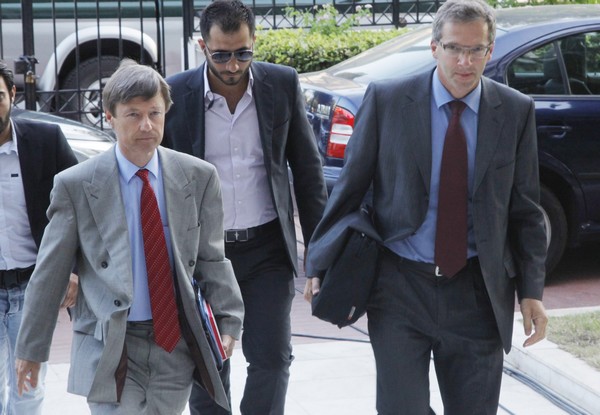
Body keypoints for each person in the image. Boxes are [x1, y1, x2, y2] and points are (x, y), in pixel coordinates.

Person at [304, 0, 549, 413]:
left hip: (477, 293)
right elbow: (349, 189)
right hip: (399, 287)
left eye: (476, 50)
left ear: (489, 51)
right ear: (435, 48)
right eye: (454, 48)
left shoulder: (514, 111)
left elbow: (525, 210)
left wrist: (531, 292)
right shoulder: (387, 100)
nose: (465, 62)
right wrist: (319, 260)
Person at [15, 59, 244, 415]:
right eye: (133, 115)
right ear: (110, 117)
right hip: (110, 343)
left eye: (154, 113)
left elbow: (211, 258)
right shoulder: (77, 185)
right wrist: (31, 350)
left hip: (174, 343)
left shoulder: (198, 178)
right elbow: (50, 273)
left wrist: (228, 320)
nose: (146, 125)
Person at [163, 1, 328, 413]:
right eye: (221, 55)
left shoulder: (281, 84)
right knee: (208, 365)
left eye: (242, 52)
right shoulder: (175, 94)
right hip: (204, 254)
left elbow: (307, 171)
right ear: (202, 46)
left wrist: (319, 255)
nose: (233, 65)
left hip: (267, 248)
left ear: (254, 41)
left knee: (273, 359)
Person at [0, 61, 78, 415]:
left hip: (33, 288)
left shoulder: (45, 141)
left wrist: (73, 269)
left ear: (13, 94)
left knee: (27, 391)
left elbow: (81, 207)